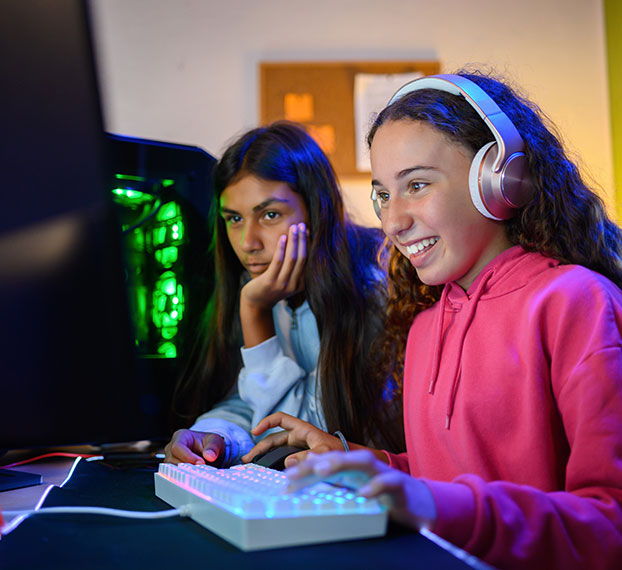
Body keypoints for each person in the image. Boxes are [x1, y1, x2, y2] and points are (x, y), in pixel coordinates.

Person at [242, 71, 622, 569]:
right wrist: (350, 459)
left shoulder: (576, 302)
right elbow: (440, 481)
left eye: (416, 185)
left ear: (501, 180)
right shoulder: (424, 326)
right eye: (383, 193)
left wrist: (431, 503)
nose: (392, 220)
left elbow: (610, 522)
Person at [164, 121, 403, 468]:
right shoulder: (263, 283)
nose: (248, 243)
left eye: (270, 215)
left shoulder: (375, 286)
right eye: (234, 219)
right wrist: (211, 435)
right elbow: (250, 400)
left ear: (316, 210)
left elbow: (305, 431)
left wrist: (253, 313)